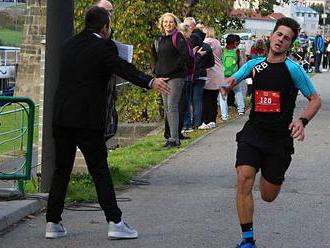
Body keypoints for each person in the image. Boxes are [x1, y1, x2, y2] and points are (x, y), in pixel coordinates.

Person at [45, 6, 170, 240]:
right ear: (105, 28)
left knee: (62, 169)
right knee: (99, 170)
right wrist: (150, 81)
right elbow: (124, 68)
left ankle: (53, 222)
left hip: (62, 117)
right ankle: (115, 221)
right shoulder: (104, 46)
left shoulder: (68, 45)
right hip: (88, 119)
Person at [224, 17, 321, 248]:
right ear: (271, 36)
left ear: (290, 45)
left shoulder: (294, 70)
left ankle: (274, 174)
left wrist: (302, 120)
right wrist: (226, 84)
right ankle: (247, 240)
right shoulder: (255, 65)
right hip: (253, 133)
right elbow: (233, 79)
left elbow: (315, 100)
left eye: (286, 38)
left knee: (268, 195)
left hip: (278, 140)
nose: (281, 40)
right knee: (244, 179)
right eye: (279, 34)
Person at [154, 13, 193, 148]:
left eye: (170, 22)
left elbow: (185, 57)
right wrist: (157, 75)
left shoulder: (179, 37)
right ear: (162, 24)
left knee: (172, 106)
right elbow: (159, 60)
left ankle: (174, 139)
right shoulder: (160, 39)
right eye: (165, 22)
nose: (168, 24)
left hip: (176, 77)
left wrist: (171, 72)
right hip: (162, 77)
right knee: (167, 108)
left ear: (175, 24)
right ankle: (171, 137)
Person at [199, 26, 224, 129]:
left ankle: (206, 120)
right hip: (219, 71)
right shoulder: (217, 43)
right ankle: (213, 120)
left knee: (205, 98)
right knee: (213, 98)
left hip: (210, 72)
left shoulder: (206, 42)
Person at [218, 34, 245, 121]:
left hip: (224, 75)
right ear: (234, 42)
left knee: (223, 94)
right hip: (234, 75)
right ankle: (241, 110)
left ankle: (224, 116)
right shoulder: (237, 51)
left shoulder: (223, 50)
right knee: (238, 91)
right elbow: (240, 63)